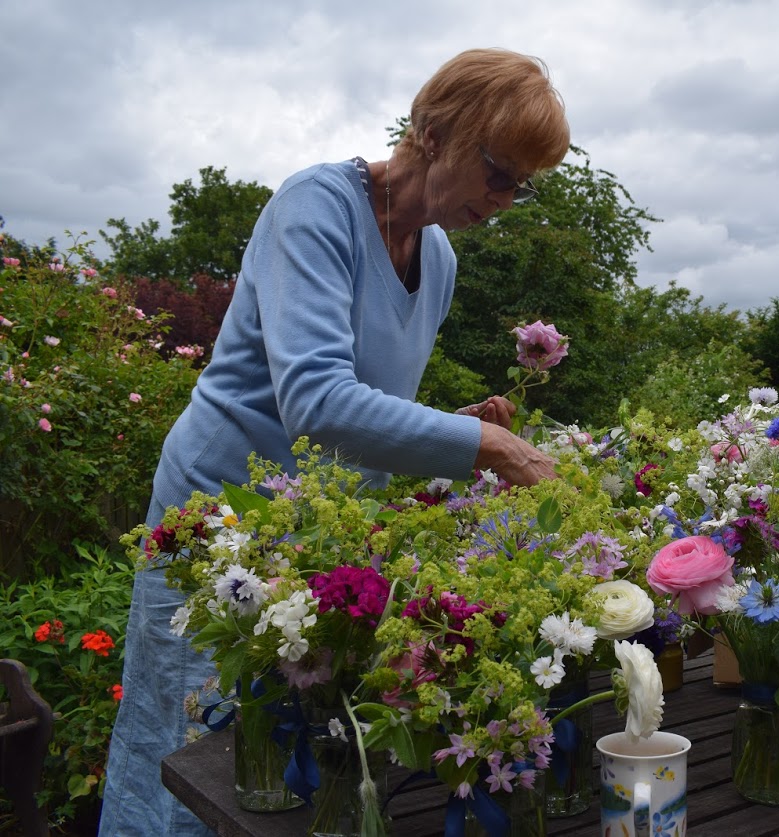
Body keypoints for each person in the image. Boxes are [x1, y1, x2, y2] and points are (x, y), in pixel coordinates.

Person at [98, 48, 570, 836]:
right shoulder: (315, 207)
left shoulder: (440, 260)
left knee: (285, 770)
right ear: (430, 129)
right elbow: (316, 401)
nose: (507, 199)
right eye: (497, 172)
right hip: (215, 530)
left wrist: (458, 423)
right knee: (195, 753)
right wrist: (485, 444)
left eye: (522, 185)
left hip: (311, 538)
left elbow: (364, 414)